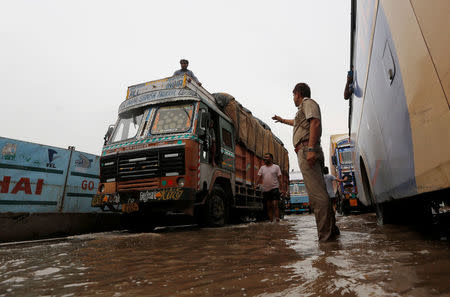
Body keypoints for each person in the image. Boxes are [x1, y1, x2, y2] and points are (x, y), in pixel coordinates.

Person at [272, 82, 339, 241]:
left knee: (317, 197)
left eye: (293, 95)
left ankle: (326, 239)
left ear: (298, 93)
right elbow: (297, 123)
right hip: (306, 149)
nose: (293, 98)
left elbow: (315, 122)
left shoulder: (308, 103)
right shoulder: (302, 111)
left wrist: (309, 150)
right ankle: (332, 232)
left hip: (307, 149)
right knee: (320, 194)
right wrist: (282, 120)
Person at [256, 153, 282, 222]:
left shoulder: (276, 167)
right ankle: (271, 221)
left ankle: (277, 220)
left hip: (275, 188)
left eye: (267, 157)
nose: (265, 159)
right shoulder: (262, 168)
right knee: (269, 207)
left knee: (275, 205)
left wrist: (282, 188)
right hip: (266, 190)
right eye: (264, 157)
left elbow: (280, 178)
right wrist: (256, 184)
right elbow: (259, 177)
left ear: (271, 159)